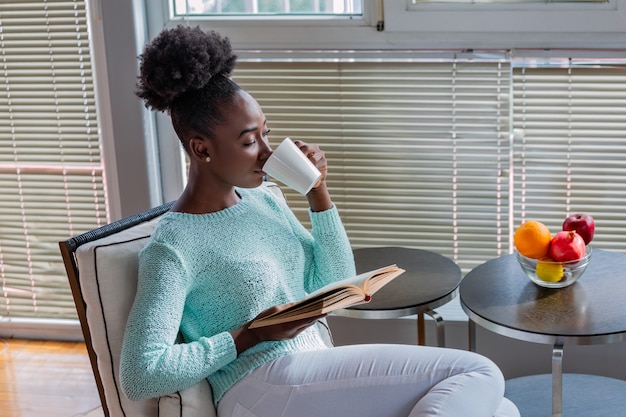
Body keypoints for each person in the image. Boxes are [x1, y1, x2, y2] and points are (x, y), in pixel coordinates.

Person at [119, 25, 520, 417]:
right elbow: (141, 374)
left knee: (501, 409)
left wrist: (317, 192)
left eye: (266, 134)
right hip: (257, 388)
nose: (266, 151)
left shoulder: (265, 201)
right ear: (201, 149)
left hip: (312, 371)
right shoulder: (174, 245)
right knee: (479, 372)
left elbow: (336, 279)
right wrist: (250, 335)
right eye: (248, 141)